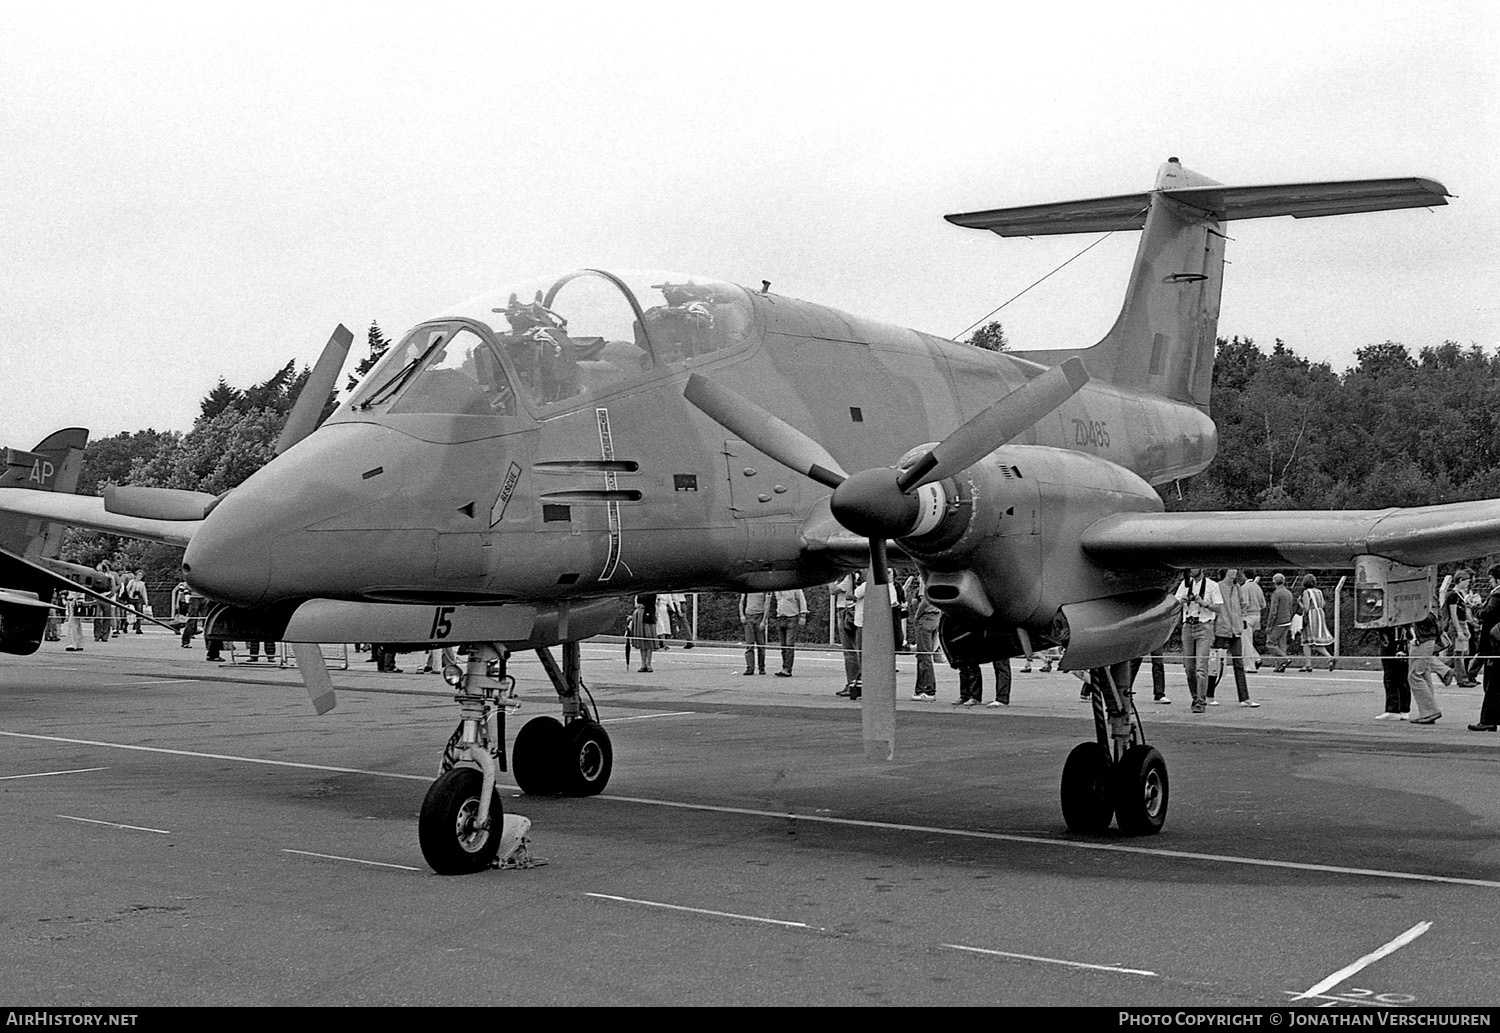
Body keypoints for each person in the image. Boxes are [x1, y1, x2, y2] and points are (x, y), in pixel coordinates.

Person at [1174, 568, 1222, 713]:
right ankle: (1195, 697)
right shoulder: (1185, 584)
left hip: (1204, 626)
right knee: (1189, 668)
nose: (1190, 570)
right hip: (1188, 626)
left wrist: (1204, 603)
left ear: (1201, 568)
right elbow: (1175, 602)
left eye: (1193, 568)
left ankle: (1200, 702)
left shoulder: (1212, 585)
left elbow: (1218, 607)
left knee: (1201, 666)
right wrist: (1182, 600)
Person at [1214, 569, 1257, 706]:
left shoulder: (1237, 587)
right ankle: (1209, 693)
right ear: (1225, 571)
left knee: (1239, 663)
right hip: (1222, 628)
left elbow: (1242, 604)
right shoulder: (1218, 586)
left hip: (1236, 629)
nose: (1235, 572)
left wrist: (1241, 618)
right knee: (1217, 664)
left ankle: (1244, 697)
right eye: (1232, 569)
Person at [1469, 563, 1500, 732]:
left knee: (1491, 685)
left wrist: (1475, 609)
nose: (1489, 581)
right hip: (1495, 644)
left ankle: (1488, 719)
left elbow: (1489, 614)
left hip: (1494, 645)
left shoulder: (1498, 595)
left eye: (1491, 578)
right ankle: (1491, 718)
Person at [1405, 614, 1445, 724]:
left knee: (1414, 675)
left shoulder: (1420, 609)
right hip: (1424, 640)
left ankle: (1430, 711)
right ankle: (1427, 711)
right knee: (1423, 674)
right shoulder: (1424, 609)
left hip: (1422, 640)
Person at [1441, 570, 1478, 686]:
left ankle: (1443, 669)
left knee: (1465, 652)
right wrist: (1459, 630)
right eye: (1467, 581)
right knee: (1459, 653)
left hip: (1463, 623)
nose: (1468, 583)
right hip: (1456, 624)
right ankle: (1462, 679)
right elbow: (1453, 614)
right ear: (1460, 580)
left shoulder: (1461, 594)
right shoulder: (1453, 595)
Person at [909, 576, 940, 700]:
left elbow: (925, 600)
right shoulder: (938, 578)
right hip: (935, 616)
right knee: (926, 654)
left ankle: (927, 689)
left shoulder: (925, 578)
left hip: (925, 617)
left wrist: (916, 615)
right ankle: (922, 687)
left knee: (923, 655)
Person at [830, 575, 861, 696]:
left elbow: (833, 590)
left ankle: (853, 682)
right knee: (851, 650)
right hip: (846, 610)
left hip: (845, 611)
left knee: (849, 650)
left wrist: (828, 578)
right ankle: (853, 682)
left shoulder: (849, 578)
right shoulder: (846, 579)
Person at [1297, 575, 1335, 671]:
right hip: (1319, 614)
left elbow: (1306, 607)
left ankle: (1308, 664)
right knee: (1315, 641)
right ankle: (1329, 657)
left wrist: (1299, 603)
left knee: (1306, 640)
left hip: (1311, 616)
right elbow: (1322, 604)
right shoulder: (1319, 592)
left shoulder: (1306, 592)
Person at [1374, 624, 1410, 720]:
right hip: (1403, 637)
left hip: (1391, 634)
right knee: (1402, 676)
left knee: (1390, 675)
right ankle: (1403, 709)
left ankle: (1393, 709)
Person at [770, 588, 809, 676]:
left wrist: (803, 616)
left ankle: (788, 669)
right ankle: (784, 667)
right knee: (783, 645)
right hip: (781, 618)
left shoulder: (796, 588)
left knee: (789, 644)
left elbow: (802, 601)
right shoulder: (777, 589)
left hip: (791, 617)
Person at [1262, 573, 1296, 672]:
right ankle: (1280, 666)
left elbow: (1273, 611)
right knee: (1282, 644)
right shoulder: (1288, 593)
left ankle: (1285, 659)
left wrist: (1269, 625)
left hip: (1278, 622)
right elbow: (1291, 608)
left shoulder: (1276, 594)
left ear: (1274, 582)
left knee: (1270, 643)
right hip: (1287, 620)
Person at [738, 591, 768, 676]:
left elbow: (767, 605)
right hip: (749, 616)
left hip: (760, 616)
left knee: (761, 645)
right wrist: (742, 615)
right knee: (749, 644)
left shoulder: (764, 588)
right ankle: (750, 668)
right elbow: (741, 602)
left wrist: (764, 620)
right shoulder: (747, 588)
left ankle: (761, 668)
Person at [1241, 570, 1266, 670]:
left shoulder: (1244, 587)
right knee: (1248, 641)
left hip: (1248, 616)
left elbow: (1245, 603)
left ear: (1244, 575)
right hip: (1257, 615)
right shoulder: (1257, 587)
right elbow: (1263, 604)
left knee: (1246, 642)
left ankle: (1250, 666)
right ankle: (1256, 658)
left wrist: (1241, 613)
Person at [633, 593, 657, 672]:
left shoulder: (652, 593)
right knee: (642, 642)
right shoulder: (640, 593)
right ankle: (643, 664)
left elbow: (649, 602)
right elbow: (637, 601)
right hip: (640, 616)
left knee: (649, 641)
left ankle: (648, 663)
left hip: (648, 616)